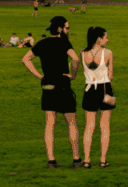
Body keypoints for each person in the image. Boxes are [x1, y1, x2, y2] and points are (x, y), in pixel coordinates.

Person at [21, 16, 81, 167]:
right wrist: (73, 75)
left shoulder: (42, 43)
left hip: (47, 85)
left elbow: (25, 59)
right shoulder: (64, 42)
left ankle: (51, 161)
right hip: (62, 84)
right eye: (67, 28)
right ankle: (76, 159)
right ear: (60, 29)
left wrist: (40, 76)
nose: (68, 30)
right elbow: (75, 59)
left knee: (49, 124)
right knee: (71, 123)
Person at [81, 25, 115, 169]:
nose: (107, 40)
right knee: (105, 126)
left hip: (89, 90)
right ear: (99, 39)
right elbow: (110, 75)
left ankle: (87, 160)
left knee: (89, 127)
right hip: (105, 89)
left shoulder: (83, 52)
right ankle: (102, 160)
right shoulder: (108, 53)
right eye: (105, 37)